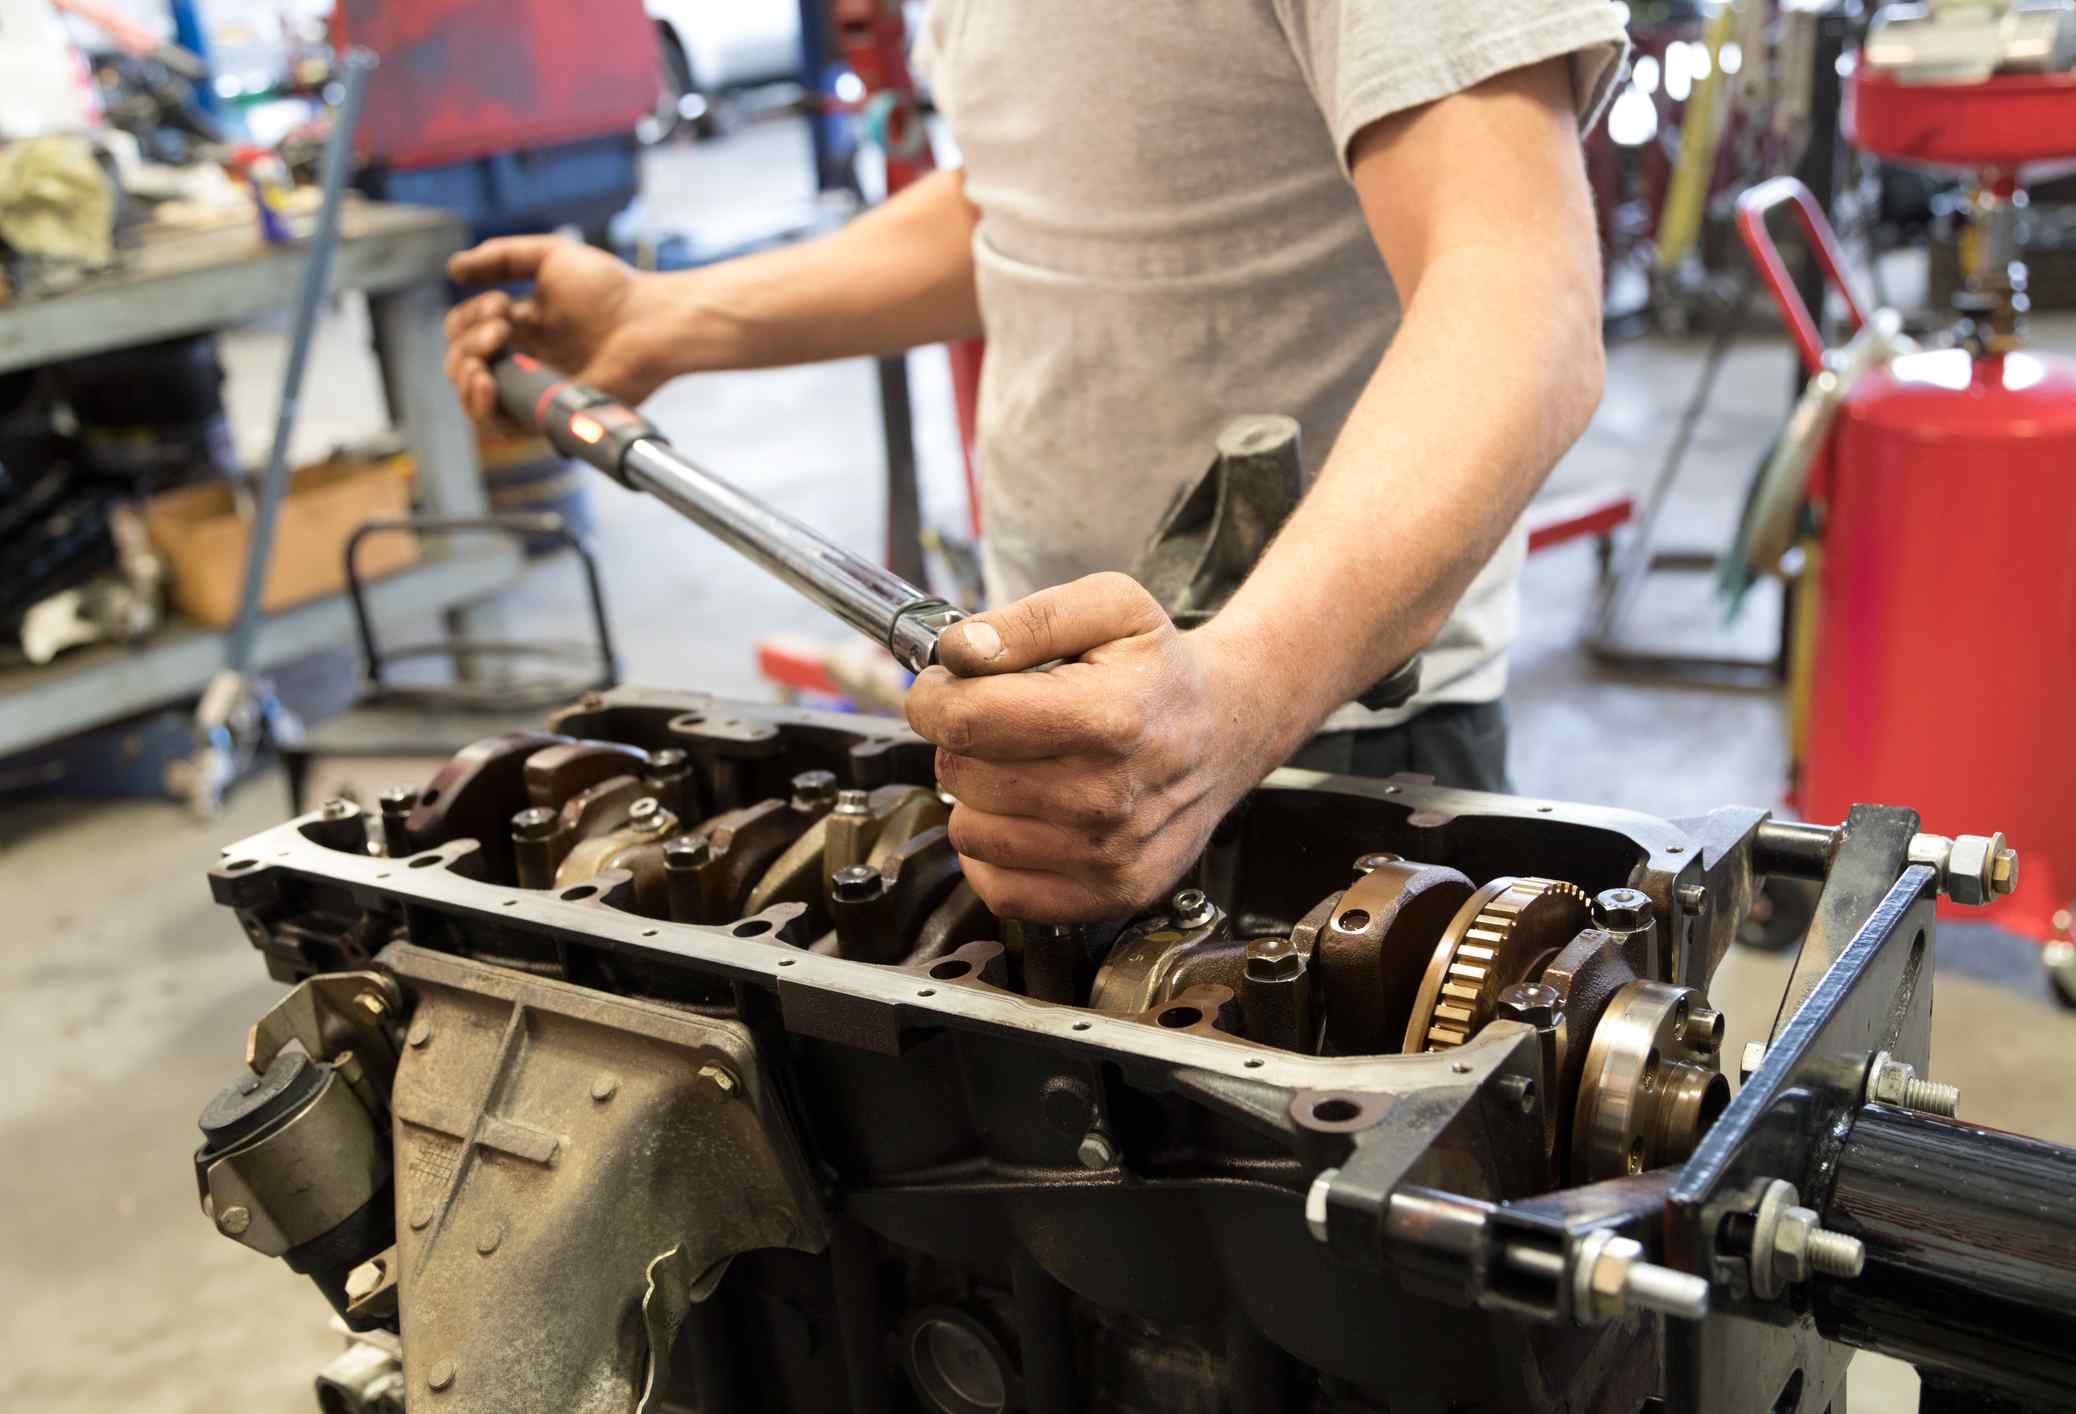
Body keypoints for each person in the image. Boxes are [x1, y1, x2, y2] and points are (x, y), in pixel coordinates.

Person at [444, 1, 1625, 923]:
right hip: (1039, 731)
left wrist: (1231, 702)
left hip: (1323, 733)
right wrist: (668, 320)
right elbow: (1023, 204)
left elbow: (1523, 295)